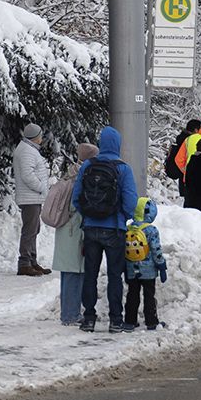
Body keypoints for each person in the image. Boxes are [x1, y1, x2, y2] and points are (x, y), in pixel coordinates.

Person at [73, 125, 138, 332]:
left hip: (91, 228)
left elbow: (76, 197)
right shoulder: (123, 168)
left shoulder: (88, 165)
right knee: (114, 276)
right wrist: (123, 217)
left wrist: (89, 214)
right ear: (118, 145)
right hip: (115, 229)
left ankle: (89, 318)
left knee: (90, 274)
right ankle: (115, 320)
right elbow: (130, 202)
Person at [52, 143, 99, 326]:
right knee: (74, 272)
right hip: (73, 229)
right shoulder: (80, 176)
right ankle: (70, 315)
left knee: (68, 273)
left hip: (65, 229)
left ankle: (68, 312)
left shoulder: (70, 173)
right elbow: (77, 206)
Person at [121, 197, 168, 331]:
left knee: (132, 294)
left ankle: (130, 321)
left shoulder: (129, 228)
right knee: (149, 295)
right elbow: (155, 249)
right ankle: (151, 321)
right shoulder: (151, 230)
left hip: (131, 269)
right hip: (148, 271)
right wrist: (161, 265)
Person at [11, 123, 51, 276]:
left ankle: (32, 261)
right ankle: (25, 263)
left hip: (32, 197)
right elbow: (27, 175)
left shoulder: (28, 149)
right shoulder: (27, 151)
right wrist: (42, 187)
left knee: (34, 229)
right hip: (30, 197)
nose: (42, 138)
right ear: (36, 136)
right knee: (29, 230)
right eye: (40, 135)